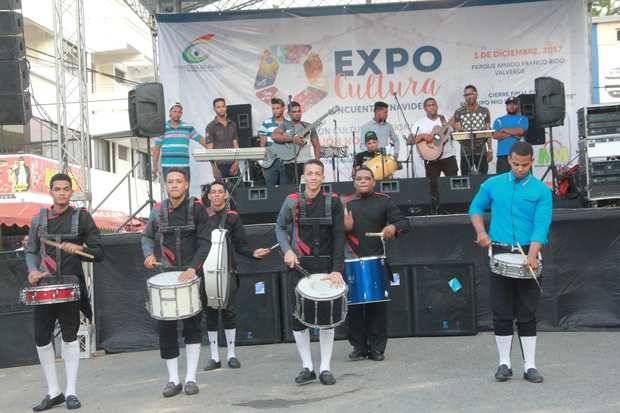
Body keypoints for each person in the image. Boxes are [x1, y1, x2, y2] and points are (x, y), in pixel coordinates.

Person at [469, 141, 552, 384]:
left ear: (532, 162)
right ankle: (504, 363)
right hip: (500, 254)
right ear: (509, 161)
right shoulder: (493, 184)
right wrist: (481, 232)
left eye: (525, 165)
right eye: (516, 164)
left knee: (527, 313)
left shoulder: (541, 191)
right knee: (501, 312)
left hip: (528, 253)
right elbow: (475, 207)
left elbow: (541, 224)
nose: (519, 168)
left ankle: (530, 366)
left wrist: (533, 253)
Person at [25, 173, 104, 411]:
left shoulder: (82, 218)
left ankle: (71, 391)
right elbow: (31, 251)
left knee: (70, 337)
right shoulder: (39, 219)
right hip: (44, 288)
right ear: (51, 191)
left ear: (71, 192)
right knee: (41, 339)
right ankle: (54, 391)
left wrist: (80, 248)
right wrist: (32, 271)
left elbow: (99, 253)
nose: (61, 192)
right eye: (57, 188)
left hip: (71, 286)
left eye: (66, 189)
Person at [142, 168, 211, 397]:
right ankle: (173, 380)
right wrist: (148, 254)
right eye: (170, 181)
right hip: (165, 276)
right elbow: (146, 236)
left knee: (192, 327)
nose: (173, 185)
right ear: (165, 185)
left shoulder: (198, 209)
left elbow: (205, 242)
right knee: (166, 329)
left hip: (191, 275)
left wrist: (193, 268)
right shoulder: (158, 211)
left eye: (178, 181)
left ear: (186, 184)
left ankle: (191, 378)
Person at [275, 159, 345, 385]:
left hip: (325, 267)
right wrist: (287, 251)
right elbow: (279, 227)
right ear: (303, 177)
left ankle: (325, 368)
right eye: (309, 174)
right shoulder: (292, 201)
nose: (313, 177)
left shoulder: (333, 202)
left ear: (323, 177)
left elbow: (339, 237)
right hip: (299, 265)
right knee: (298, 318)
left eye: (317, 174)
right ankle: (307, 366)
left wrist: (336, 270)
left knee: (328, 319)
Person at [342, 166, 411, 361]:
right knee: (353, 307)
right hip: (350, 261)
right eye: (359, 178)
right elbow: (332, 233)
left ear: (374, 182)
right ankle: (359, 347)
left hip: (376, 261)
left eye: (367, 178)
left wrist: (393, 227)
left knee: (377, 308)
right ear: (354, 182)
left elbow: (405, 223)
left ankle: (377, 348)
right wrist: (342, 226)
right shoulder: (344, 203)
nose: (363, 181)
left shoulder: (384, 201)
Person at [202, 180, 270, 371]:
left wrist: (253, 253)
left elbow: (241, 245)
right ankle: (214, 357)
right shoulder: (202, 218)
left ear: (226, 195)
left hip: (228, 271)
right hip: (206, 273)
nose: (216, 195)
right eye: (212, 192)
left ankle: (231, 354)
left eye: (219, 192)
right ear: (208, 196)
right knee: (211, 313)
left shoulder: (232, 218)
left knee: (229, 311)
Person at [411, 97, 458, 212]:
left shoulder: (444, 119)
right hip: (431, 158)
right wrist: (422, 136)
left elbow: (454, 131)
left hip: (448, 156)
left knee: (452, 182)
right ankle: (436, 209)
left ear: (437, 106)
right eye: (429, 105)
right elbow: (410, 140)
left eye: (433, 104)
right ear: (425, 108)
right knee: (433, 185)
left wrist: (454, 127)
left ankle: (454, 207)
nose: (431, 107)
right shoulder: (419, 123)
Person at [152, 103, 207, 182]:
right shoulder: (162, 128)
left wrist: (214, 150)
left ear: (181, 114)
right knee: (171, 191)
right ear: (170, 113)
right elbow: (156, 148)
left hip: (183, 165)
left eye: (179, 112)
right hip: (167, 166)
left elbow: (201, 140)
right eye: (175, 111)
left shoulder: (188, 127)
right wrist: (154, 166)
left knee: (185, 190)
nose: (177, 114)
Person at [272, 101, 321, 183]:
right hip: (289, 163)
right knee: (291, 191)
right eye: (294, 112)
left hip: (306, 162)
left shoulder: (309, 126)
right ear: (289, 113)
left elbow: (316, 145)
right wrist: (293, 139)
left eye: (299, 111)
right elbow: (275, 136)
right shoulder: (284, 125)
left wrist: (317, 162)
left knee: (308, 189)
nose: (297, 113)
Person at [453, 85, 492, 175]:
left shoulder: (484, 111)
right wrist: (462, 131)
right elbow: (458, 129)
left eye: (470, 94)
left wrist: (490, 149)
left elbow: (488, 131)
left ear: (476, 94)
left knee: (483, 176)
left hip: (481, 149)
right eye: (466, 95)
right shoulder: (459, 111)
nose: (468, 97)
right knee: (466, 177)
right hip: (466, 151)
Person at [205, 98, 241, 179]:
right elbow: (209, 150)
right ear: (214, 109)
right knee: (221, 190)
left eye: (223, 106)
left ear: (226, 107)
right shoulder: (210, 126)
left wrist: (237, 162)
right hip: (219, 165)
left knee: (239, 190)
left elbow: (236, 144)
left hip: (233, 164)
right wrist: (214, 168)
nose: (221, 109)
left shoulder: (233, 124)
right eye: (218, 107)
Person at [493, 96, 529, 174]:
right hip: (503, 155)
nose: (511, 106)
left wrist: (504, 130)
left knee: (520, 181)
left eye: (514, 104)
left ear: (517, 106)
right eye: (509, 104)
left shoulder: (523, 118)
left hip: (519, 155)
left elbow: (520, 131)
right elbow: (495, 135)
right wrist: (513, 133)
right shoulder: (499, 120)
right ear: (506, 106)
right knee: (503, 181)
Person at [259, 98, 288, 186]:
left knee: (286, 189)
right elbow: (262, 144)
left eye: (278, 108)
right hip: (271, 162)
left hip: (285, 161)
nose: (275, 110)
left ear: (283, 108)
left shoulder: (289, 124)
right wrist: (263, 164)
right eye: (273, 108)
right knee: (270, 190)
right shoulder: (266, 123)